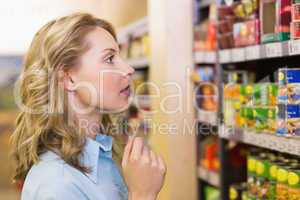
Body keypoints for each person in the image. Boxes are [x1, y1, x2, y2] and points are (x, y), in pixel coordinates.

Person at [11, 12, 166, 200]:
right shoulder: (55, 186)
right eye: (110, 59)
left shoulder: (104, 155)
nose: (128, 69)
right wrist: (143, 194)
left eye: (120, 56)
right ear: (68, 78)